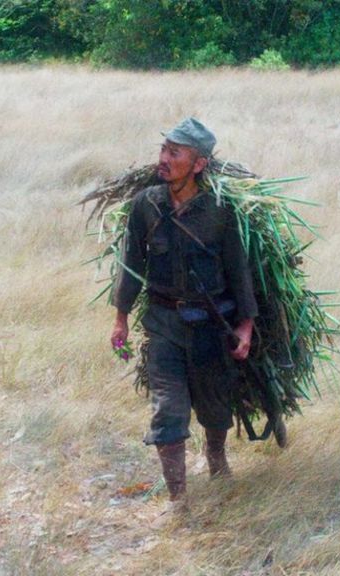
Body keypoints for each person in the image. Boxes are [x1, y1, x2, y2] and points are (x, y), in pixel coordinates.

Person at [110, 117, 259, 513]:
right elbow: (131, 264)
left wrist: (245, 325)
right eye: (163, 149)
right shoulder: (146, 205)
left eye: (175, 153)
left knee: (214, 405)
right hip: (164, 325)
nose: (164, 159)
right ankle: (179, 499)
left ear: (198, 165)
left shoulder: (219, 211)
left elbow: (237, 268)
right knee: (168, 410)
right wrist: (121, 317)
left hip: (212, 325)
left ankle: (216, 458)